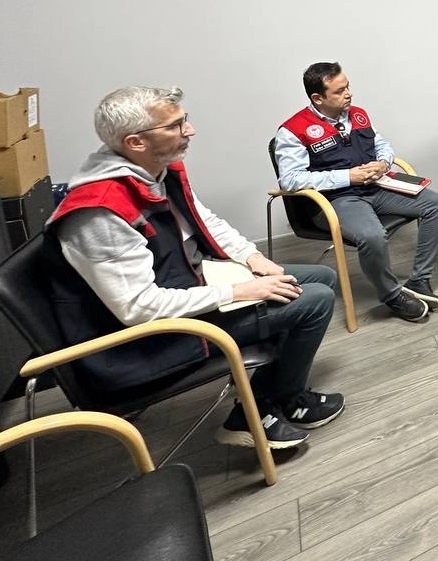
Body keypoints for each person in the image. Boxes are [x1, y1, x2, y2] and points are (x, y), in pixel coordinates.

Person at [46, 86, 342, 451]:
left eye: (183, 120)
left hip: (187, 284)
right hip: (140, 342)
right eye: (175, 125)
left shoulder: (155, 171)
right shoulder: (100, 212)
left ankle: (270, 397)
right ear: (136, 142)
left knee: (320, 276)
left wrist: (254, 259)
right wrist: (238, 291)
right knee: (314, 301)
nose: (190, 130)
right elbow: (137, 308)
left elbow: (205, 220)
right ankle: (259, 410)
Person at [276, 62, 438, 324]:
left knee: (436, 204)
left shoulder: (358, 114)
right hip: (337, 200)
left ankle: (419, 280)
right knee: (372, 235)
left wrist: (383, 163)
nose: (349, 93)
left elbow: (382, 144)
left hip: (376, 187)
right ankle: (391, 295)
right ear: (318, 98)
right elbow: (289, 180)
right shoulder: (293, 130)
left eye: (348, 86)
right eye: (339, 91)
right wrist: (348, 176)